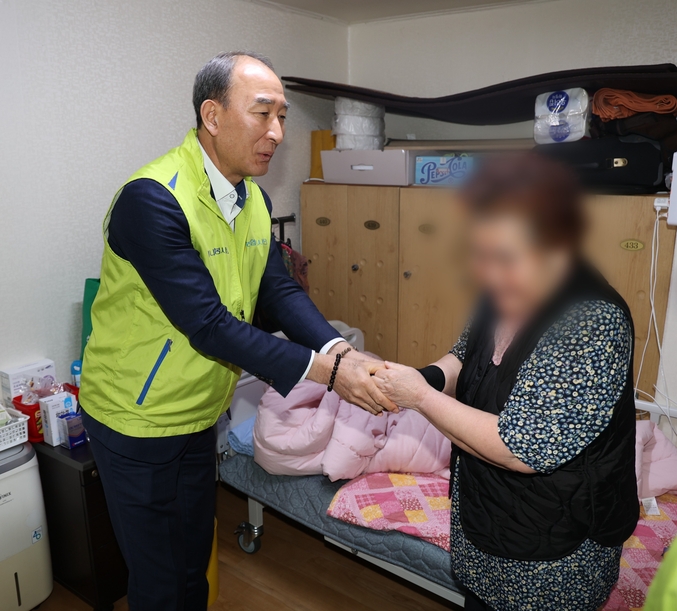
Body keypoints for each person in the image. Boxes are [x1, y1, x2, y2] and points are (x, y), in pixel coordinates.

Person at [80, 51, 394, 611]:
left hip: (199, 412)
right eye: (263, 113)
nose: (277, 132)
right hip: (135, 419)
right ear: (213, 115)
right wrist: (327, 373)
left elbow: (276, 290)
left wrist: (339, 349)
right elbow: (208, 324)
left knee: (193, 565)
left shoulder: (253, 200)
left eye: (283, 117)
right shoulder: (152, 199)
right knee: (157, 582)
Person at [374, 154, 639, 611]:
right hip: (485, 525)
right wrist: (425, 378)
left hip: (555, 556)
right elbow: (465, 356)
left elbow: (522, 448)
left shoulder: (591, 322)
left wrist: (418, 397)